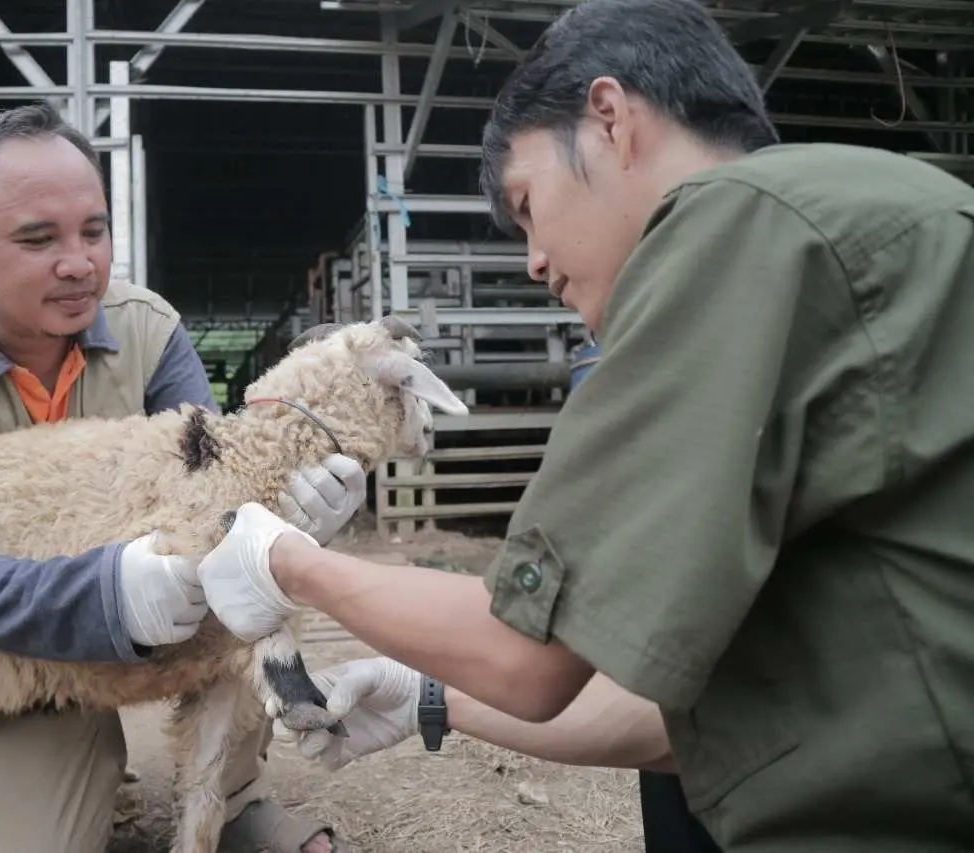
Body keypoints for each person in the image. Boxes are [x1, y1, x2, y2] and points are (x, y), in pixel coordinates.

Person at [188, 0, 974, 850]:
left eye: (527, 203)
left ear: (609, 118)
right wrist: (430, 697)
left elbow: (529, 658)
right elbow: (689, 716)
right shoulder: (859, 217)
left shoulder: (736, 222)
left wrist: (282, 559)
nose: (530, 259)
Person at [0, 102, 363, 853]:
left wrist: (284, 514)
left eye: (94, 230)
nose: (78, 262)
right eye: (37, 238)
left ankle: (234, 796)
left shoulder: (149, 331)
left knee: (254, 607)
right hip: (17, 657)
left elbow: (212, 486)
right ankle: (59, 771)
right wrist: (102, 594)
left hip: (164, 619)